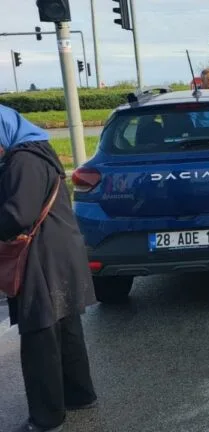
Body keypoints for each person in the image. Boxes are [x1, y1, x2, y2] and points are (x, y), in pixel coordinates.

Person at [0, 105, 97, 432]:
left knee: (39, 335)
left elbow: (17, 215)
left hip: (41, 259)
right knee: (65, 326)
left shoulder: (21, 161)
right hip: (61, 251)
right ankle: (79, 394)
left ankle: (46, 418)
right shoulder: (37, 152)